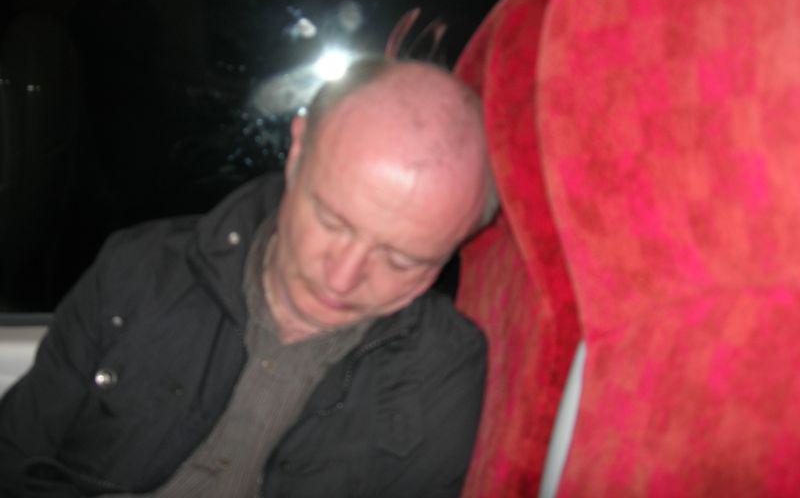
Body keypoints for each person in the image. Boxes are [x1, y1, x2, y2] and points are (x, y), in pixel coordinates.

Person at [0, 57, 496, 497]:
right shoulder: (138, 270)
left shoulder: (442, 372)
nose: (342, 280)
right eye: (331, 220)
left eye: (402, 261)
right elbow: (13, 460)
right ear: (298, 149)